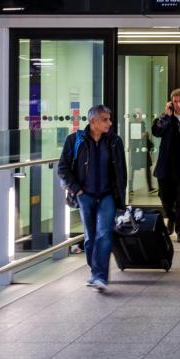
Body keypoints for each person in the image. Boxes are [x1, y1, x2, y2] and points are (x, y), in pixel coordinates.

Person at [57, 105, 126, 292]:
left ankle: (99, 276)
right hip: (84, 195)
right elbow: (62, 168)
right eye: (105, 119)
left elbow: (121, 171)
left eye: (109, 119)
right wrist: (76, 189)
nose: (109, 123)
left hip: (107, 196)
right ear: (92, 121)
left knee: (104, 234)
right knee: (90, 237)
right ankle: (95, 271)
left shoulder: (114, 141)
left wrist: (120, 196)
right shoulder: (75, 140)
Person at [151, 88, 180, 242]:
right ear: (171, 102)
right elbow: (156, 132)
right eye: (175, 101)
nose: (178, 104)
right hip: (166, 166)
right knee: (166, 198)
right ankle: (171, 218)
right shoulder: (165, 118)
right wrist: (166, 115)